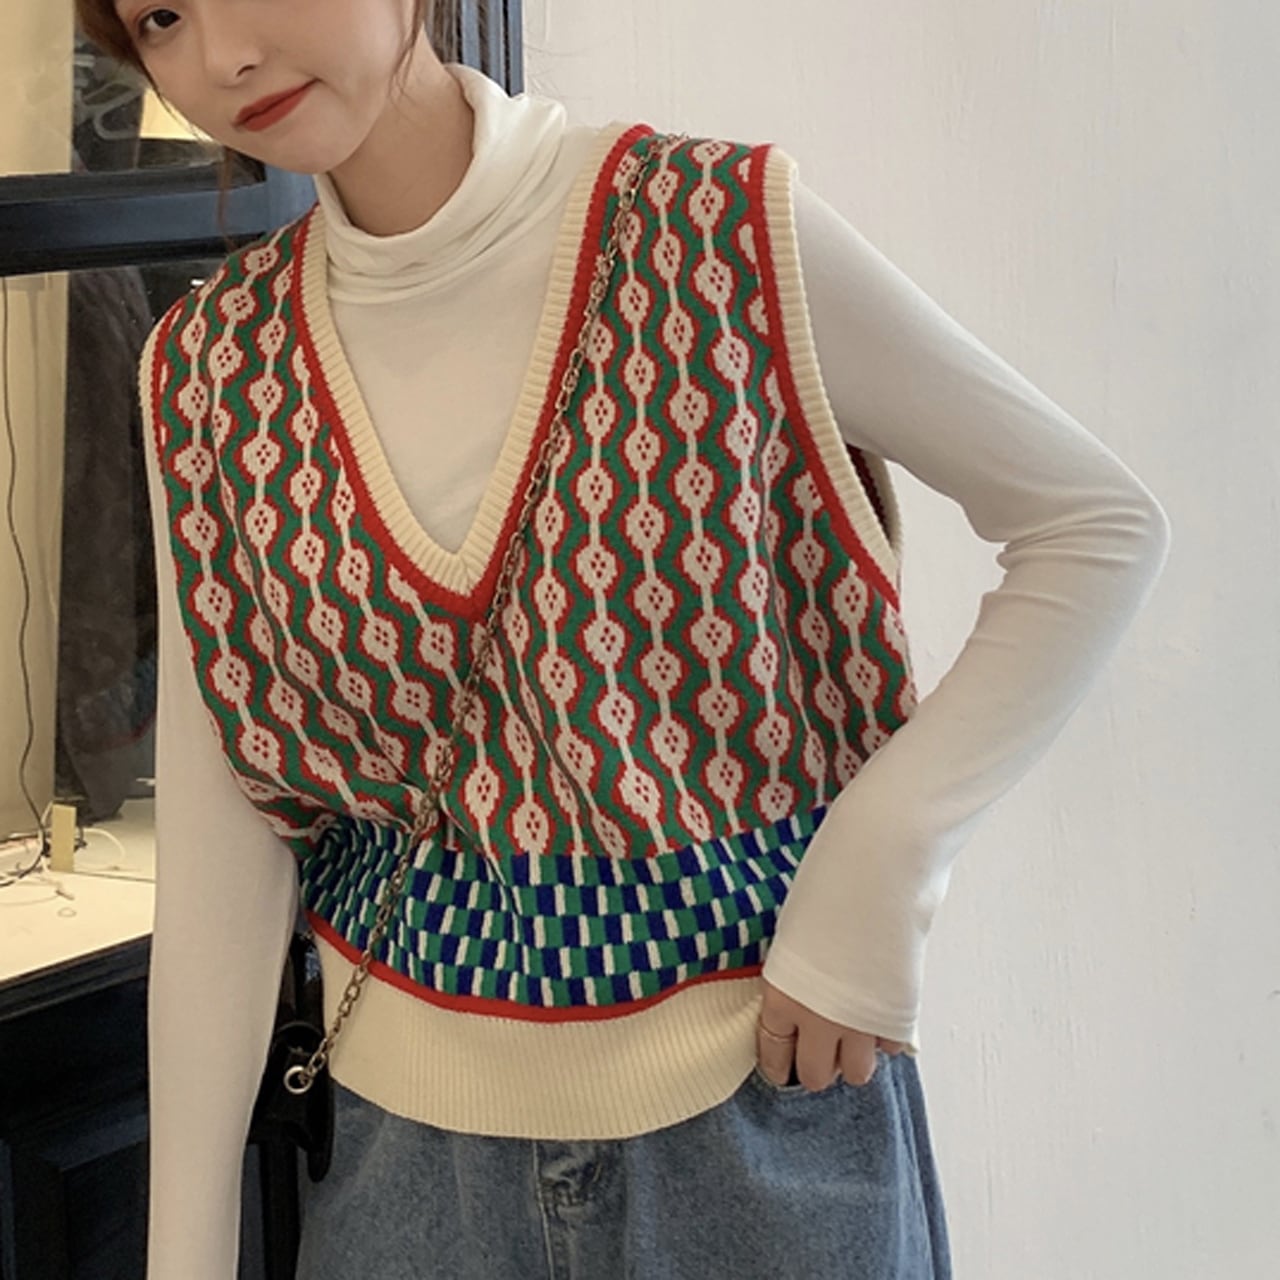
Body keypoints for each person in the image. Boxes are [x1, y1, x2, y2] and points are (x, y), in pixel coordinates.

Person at [77, 2, 1171, 1277]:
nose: (222, 56)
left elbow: (1092, 526)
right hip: (404, 1185)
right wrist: (185, 1254)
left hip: (757, 1130)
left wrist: (878, 868)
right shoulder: (211, 371)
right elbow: (224, 841)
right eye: (161, 16)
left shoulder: (715, 231)